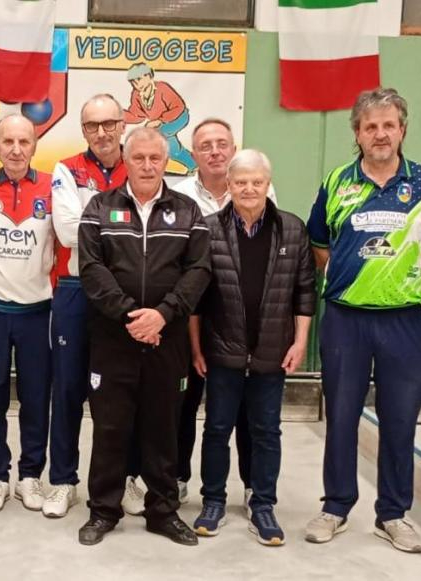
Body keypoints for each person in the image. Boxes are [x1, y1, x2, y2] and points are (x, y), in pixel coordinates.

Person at [304, 87, 421, 552]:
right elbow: (319, 246)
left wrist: (392, 281)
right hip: (345, 320)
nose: (380, 134)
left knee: (399, 421)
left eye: (388, 125)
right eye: (370, 126)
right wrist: (358, 282)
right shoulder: (336, 182)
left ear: (402, 130)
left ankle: (393, 514)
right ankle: (336, 506)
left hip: (404, 321)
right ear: (358, 133)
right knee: (342, 416)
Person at [76, 127, 210, 546]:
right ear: (126, 160)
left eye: (155, 158)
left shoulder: (188, 211)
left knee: (163, 428)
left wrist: (162, 316)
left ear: (165, 162)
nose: (148, 166)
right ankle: (103, 511)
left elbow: (199, 271)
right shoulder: (99, 208)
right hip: (113, 338)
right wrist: (132, 317)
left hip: (167, 340)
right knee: (109, 428)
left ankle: (162, 512)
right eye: (139, 158)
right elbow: (91, 269)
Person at [188, 149, 315, 545]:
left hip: (272, 353)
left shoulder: (292, 229)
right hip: (221, 351)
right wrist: (196, 349)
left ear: (267, 185)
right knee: (216, 429)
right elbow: (195, 297)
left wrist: (300, 342)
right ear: (228, 185)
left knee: (266, 431)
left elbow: (305, 292)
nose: (248, 189)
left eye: (256, 182)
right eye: (241, 182)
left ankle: (263, 505)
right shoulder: (208, 229)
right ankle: (213, 501)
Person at [47, 94, 145, 519]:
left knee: (123, 392)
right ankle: (62, 481)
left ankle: (126, 479)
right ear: (83, 130)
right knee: (68, 389)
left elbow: (147, 227)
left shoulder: (140, 162)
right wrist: (121, 225)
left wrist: (98, 223)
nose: (102, 133)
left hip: (127, 293)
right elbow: (68, 232)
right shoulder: (67, 169)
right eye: (92, 126)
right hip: (74, 289)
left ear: (123, 124)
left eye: (109, 124)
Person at [173, 118, 277, 508]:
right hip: (189, 319)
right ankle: (178, 477)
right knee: (183, 405)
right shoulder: (178, 195)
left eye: (221, 143)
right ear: (193, 154)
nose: (215, 151)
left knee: (246, 413)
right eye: (205, 145)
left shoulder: (261, 191)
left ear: (233, 149)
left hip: (238, 327)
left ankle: (251, 484)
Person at [0, 115, 57, 514]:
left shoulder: (54, 187)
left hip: (38, 312)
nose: (16, 149)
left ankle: (30, 476)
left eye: (24, 141)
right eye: (8, 141)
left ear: (35, 145)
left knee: (35, 397)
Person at [123, 62, 196, 173]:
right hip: (160, 124)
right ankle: (194, 164)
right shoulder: (136, 94)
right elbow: (136, 115)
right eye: (133, 82)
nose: (137, 84)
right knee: (173, 151)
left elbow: (178, 107)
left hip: (179, 117)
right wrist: (118, 114)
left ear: (149, 76)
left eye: (139, 79)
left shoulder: (162, 88)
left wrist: (160, 120)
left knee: (158, 136)